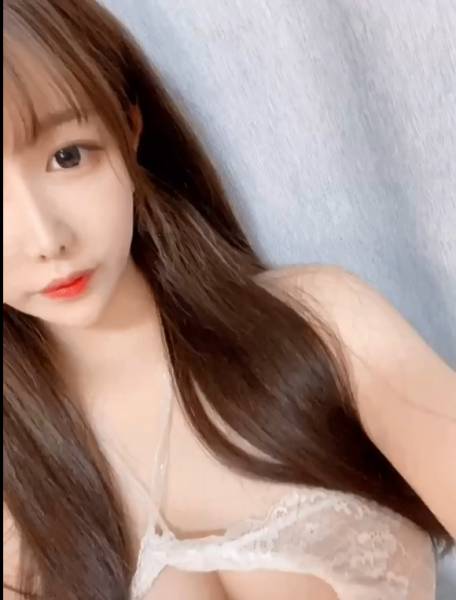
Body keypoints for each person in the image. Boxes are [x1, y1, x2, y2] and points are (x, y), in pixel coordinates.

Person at [3, 1, 455, 599]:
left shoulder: (322, 327)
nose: (46, 239)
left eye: (68, 156)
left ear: (129, 131)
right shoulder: (15, 482)